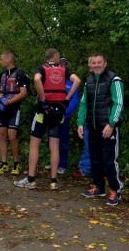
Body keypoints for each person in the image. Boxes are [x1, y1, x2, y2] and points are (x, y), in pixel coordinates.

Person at [14, 48, 80, 190]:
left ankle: (31, 179)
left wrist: (43, 99)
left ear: (47, 58)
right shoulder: (64, 70)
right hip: (59, 111)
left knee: (34, 144)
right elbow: (77, 81)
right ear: (56, 57)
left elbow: (37, 79)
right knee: (54, 145)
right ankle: (53, 181)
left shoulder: (42, 68)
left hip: (43, 111)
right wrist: (67, 99)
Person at [77, 53, 124, 206]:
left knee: (109, 160)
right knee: (95, 158)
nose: (96, 65)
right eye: (93, 63)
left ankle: (115, 190)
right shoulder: (88, 81)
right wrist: (80, 123)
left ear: (105, 64)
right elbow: (84, 104)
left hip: (107, 127)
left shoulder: (114, 79)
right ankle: (99, 187)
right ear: (90, 65)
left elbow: (119, 103)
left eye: (99, 62)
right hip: (92, 126)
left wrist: (111, 124)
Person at [0, 51, 30, 176]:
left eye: (1, 59)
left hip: (14, 108)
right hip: (2, 108)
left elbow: (24, 92)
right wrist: (1, 98)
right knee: (1, 134)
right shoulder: (2, 74)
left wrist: (10, 101)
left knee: (12, 135)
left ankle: (16, 163)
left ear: (8, 59)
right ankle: (4, 163)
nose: (0, 61)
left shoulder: (20, 73)